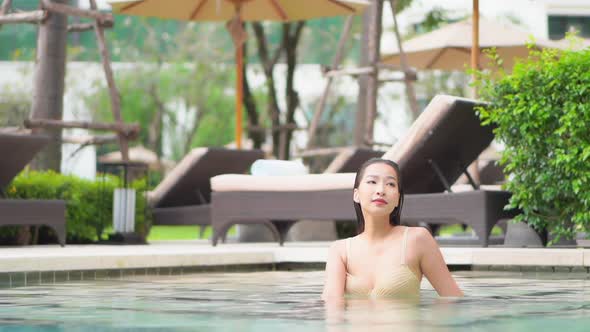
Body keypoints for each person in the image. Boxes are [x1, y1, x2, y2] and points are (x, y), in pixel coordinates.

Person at [322, 158, 463, 300]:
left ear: (397, 199)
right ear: (356, 195)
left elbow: (453, 298)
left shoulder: (417, 239)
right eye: (372, 181)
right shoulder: (340, 250)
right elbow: (332, 307)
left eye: (390, 184)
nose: (381, 190)